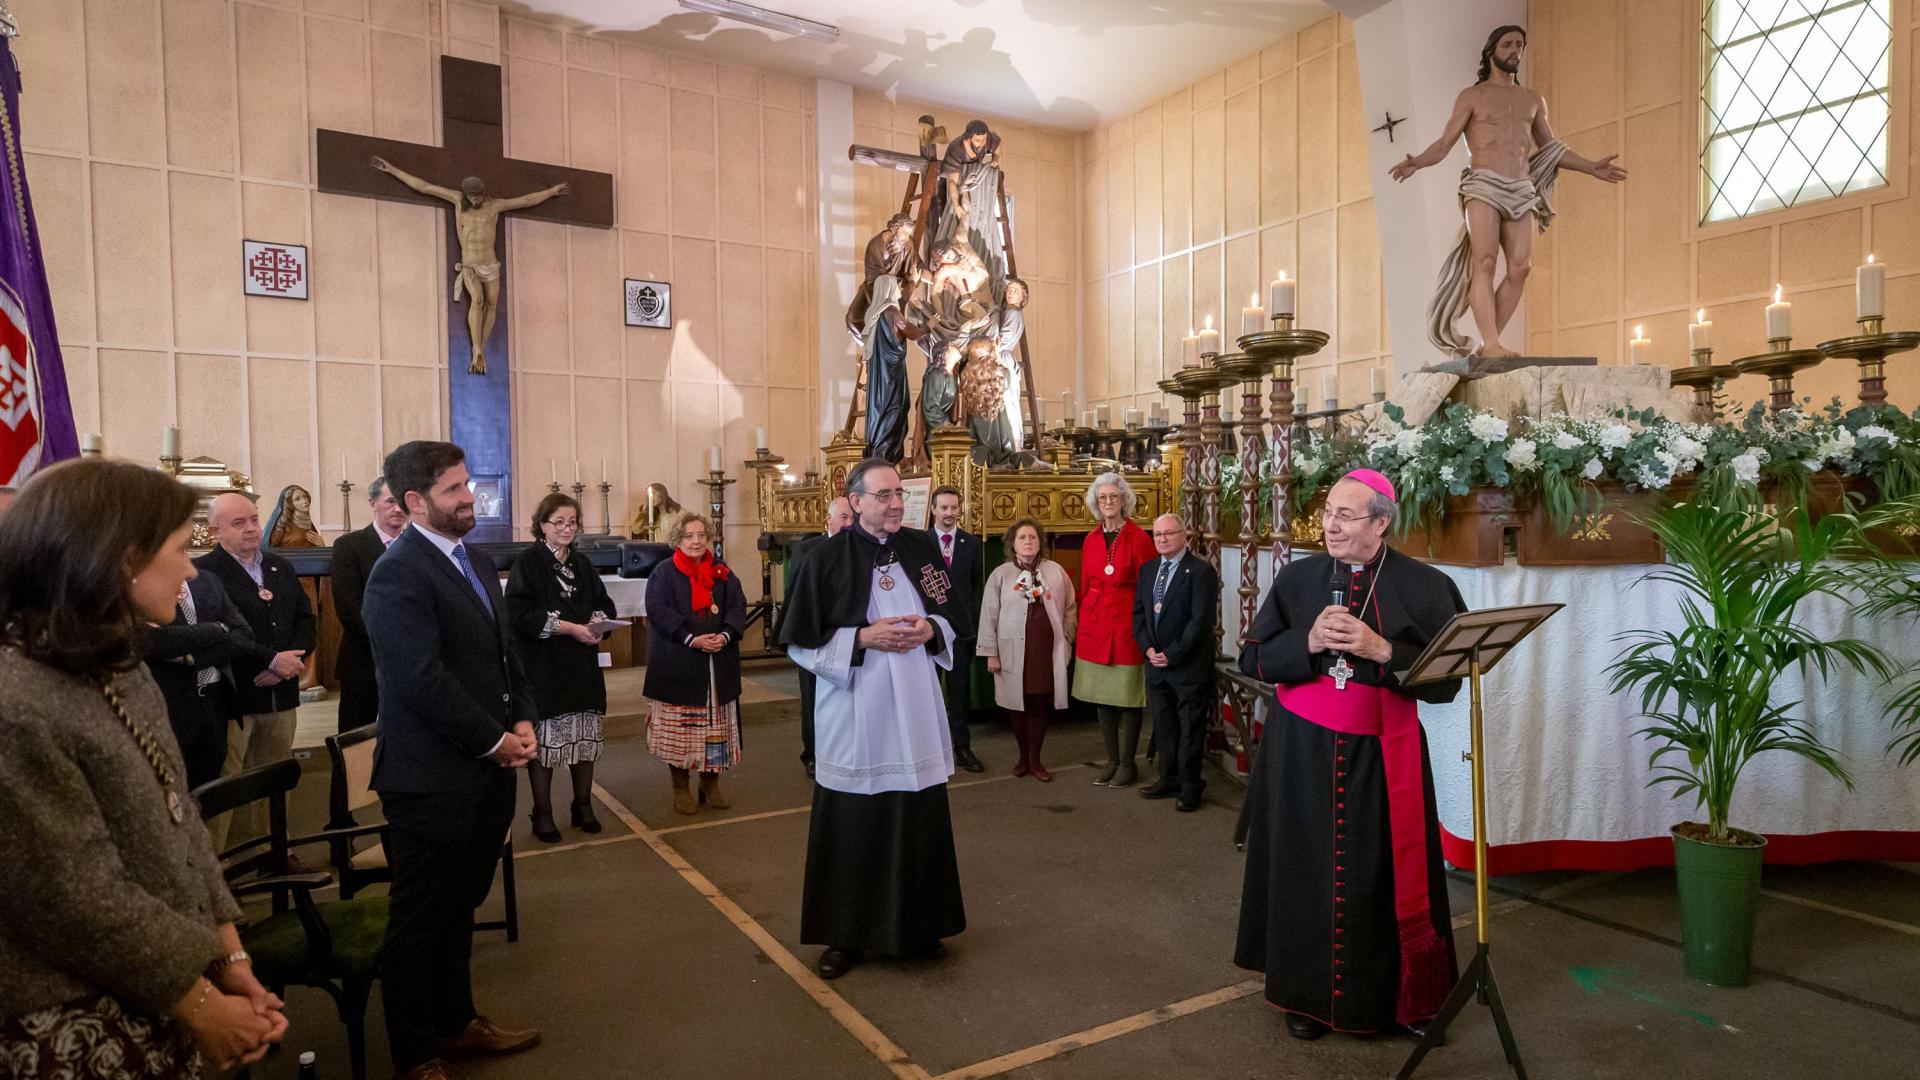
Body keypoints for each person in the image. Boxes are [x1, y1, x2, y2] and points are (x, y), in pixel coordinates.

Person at [0, 458, 286, 1076]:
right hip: (69, 1020)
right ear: (117, 560)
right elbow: (69, 896)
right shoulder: (15, 700)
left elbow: (181, 828)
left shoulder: (121, 668)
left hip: (163, 988)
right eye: (179, 549)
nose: (191, 569)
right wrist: (202, 1004)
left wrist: (231, 960)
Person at [1234, 469, 1467, 1042]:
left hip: (1383, 758)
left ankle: (1403, 1001)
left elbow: (1447, 684)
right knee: (1304, 871)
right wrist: (1309, 642)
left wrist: (1382, 649)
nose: (1330, 526)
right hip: (1301, 754)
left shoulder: (1426, 585)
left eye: (1345, 515)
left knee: (1379, 876)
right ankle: (1305, 998)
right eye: (1328, 513)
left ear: (1380, 523)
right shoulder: (1298, 578)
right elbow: (1253, 660)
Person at [363, 440, 541, 1080]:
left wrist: (523, 717)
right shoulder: (397, 573)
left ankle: (456, 1022)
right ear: (414, 501)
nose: (471, 497)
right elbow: (419, 679)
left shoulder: (476, 558)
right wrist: (494, 740)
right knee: (420, 919)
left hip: (485, 769)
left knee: (460, 905)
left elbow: (505, 652)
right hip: (430, 778)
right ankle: (415, 1054)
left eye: (468, 484)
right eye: (454, 489)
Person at [779, 459, 967, 981]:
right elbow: (797, 642)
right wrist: (862, 638)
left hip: (915, 705)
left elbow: (953, 612)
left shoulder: (921, 549)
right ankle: (846, 937)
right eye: (883, 495)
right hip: (857, 707)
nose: (895, 503)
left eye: (899, 494)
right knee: (853, 821)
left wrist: (932, 628)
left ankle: (919, 927)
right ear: (856, 501)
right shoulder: (823, 559)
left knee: (917, 814)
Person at [1387, 24, 1626, 358]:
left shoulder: (1532, 99)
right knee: (1485, 262)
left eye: (1520, 45)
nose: (1515, 51)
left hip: (1521, 187)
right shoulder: (1472, 96)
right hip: (1483, 184)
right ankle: (1493, 344)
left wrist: (1590, 167)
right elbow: (1444, 143)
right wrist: (1417, 163)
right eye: (1508, 45)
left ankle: (1490, 345)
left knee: (1521, 267)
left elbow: (1551, 148)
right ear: (1491, 52)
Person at [196, 492, 316, 851]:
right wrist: (269, 661)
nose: (251, 528)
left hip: (280, 692)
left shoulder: (279, 566)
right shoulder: (204, 572)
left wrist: (286, 664)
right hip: (235, 695)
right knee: (227, 779)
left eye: (253, 519)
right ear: (215, 531)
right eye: (238, 523)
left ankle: (273, 852)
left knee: (274, 775)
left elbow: (305, 620)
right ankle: (218, 862)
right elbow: (217, 633)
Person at [506, 493, 617, 841]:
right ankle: (542, 812)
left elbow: (604, 603)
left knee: (584, 739)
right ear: (542, 525)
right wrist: (569, 628)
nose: (567, 529)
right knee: (546, 745)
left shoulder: (582, 563)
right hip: (545, 667)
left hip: (582, 667)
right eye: (559, 522)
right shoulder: (528, 562)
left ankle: (582, 805)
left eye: (572, 522)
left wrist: (598, 621)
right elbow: (519, 614)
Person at [644, 511, 748, 816]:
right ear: (677, 539)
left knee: (716, 730)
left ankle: (710, 783)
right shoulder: (663, 573)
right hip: (678, 663)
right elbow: (657, 609)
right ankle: (680, 788)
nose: (696, 541)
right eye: (689, 536)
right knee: (682, 732)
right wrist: (691, 639)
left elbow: (737, 605)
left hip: (717, 666)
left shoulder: (721, 570)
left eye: (701, 535)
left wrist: (725, 635)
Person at [976, 519, 1076, 780]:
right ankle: (1022, 758)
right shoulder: (1001, 574)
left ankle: (1035, 761)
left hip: (1044, 651)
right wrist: (991, 653)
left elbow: (1070, 607)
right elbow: (988, 615)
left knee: (1038, 704)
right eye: (1022, 537)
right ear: (1013, 544)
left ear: (1040, 542)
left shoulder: (1055, 571)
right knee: (1016, 706)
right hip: (1011, 652)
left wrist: (1067, 637)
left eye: (1033, 537)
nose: (1028, 541)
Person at [1073, 472, 1155, 788]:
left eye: (1114, 497)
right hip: (1095, 626)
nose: (1108, 502)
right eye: (1102, 498)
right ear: (1096, 503)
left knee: (1128, 697)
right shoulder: (1091, 539)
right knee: (1103, 698)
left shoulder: (1139, 538)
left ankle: (1128, 764)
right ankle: (1111, 761)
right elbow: (1085, 584)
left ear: (1124, 501)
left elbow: (1148, 588)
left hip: (1126, 626)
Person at [1133, 514, 1218, 812]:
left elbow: (1200, 621)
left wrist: (1172, 653)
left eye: (1169, 533)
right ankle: (1167, 779)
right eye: (1157, 534)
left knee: (1190, 729)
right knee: (1164, 726)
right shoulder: (1148, 570)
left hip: (1187, 665)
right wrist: (1147, 648)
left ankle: (1190, 786)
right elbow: (1139, 614)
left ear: (1184, 535)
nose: (1162, 539)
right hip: (1155, 664)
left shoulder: (1201, 572)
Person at [144, 566, 254, 790]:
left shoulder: (207, 580)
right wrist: (217, 628)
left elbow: (244, 636)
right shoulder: (142, 582)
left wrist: (192, 658)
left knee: (209, 786)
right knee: (172, 784)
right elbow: (155, 641)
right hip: (170, 702)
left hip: (214, 701)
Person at [330, 474, 409, 732]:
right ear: (372, 503)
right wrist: (393, 644)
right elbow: (349, 608)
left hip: (413, 662)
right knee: (356, 738)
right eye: (390, 501)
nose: (398, 509)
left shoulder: (419, 546)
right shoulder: (349, 546)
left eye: (402, 502)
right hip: (364, 661)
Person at [787, 497, 852, 776]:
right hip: (815, 635)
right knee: (812, 696)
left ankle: (843, 752)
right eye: (843, 517)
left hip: (848, 637)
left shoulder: (859, 549)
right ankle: (812, 754)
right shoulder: (807, 549)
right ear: (828, 519)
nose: (849, 523)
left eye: (853, 518)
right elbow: (797, 595)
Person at [928, 485, 986, 772]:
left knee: (959, 693)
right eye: (944, 508)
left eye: (954, 508)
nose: (949, 513)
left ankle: (962, 748)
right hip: (928, 632)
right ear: (933, 510)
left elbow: (976, 588)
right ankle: (928, 751)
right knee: (927, 692)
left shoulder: (971, 544)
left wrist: (971, 628)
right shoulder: (921, 543)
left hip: (960, 633)